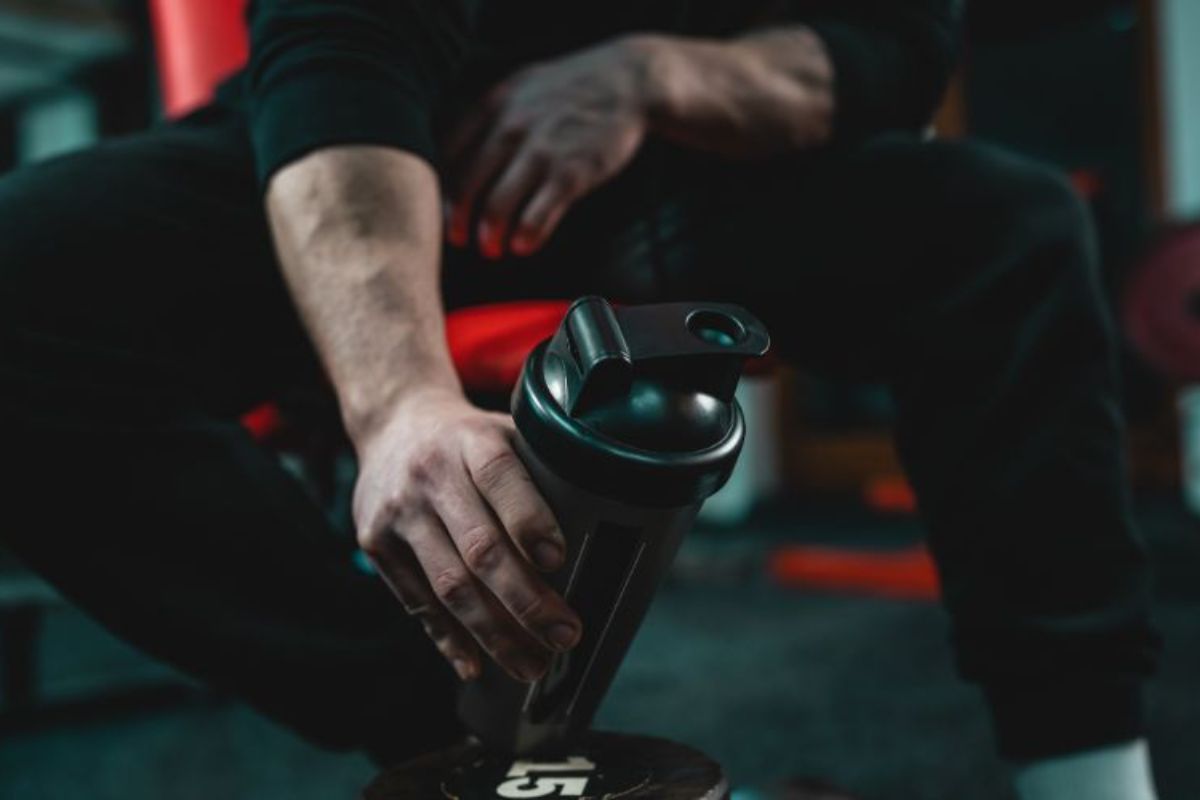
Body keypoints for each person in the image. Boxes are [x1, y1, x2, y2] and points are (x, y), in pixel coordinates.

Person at [0, 1, 1161, 797]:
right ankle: (468, 737)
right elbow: (340, 43)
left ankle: (1091, 771)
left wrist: (653, 74)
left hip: (686, 155)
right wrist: (399, 401)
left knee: (1007, 225)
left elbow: (893, 47)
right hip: (374, 133)